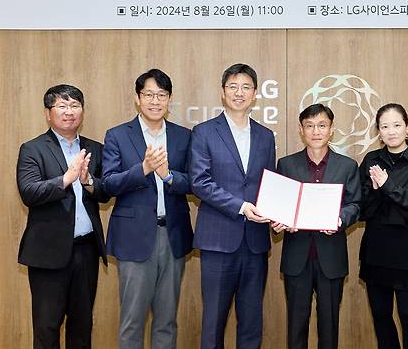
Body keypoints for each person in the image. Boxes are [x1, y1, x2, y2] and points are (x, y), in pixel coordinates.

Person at [102, 69, 193, 349]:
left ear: (170, 99)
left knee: (167, 320)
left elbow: (192, 182)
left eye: (161, 95)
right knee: (132, 319)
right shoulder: (118, 135)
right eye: (149, 95)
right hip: (134, 237)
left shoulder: (183, 136)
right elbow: (108, 184)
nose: (155, 101)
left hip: (173, 235)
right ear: (137, 98)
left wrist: (168, 175)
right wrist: (142, 169)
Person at [189, 63, 276, 349]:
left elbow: (269, 184)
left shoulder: (265, 136)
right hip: (218, 240)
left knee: (251, 321)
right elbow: (200, 182)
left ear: (255, 94)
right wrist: (240, 206)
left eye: (246, 87)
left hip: (255, 241)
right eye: (233, 87)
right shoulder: (204, 132)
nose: (239, 93)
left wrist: (276, 212)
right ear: (223, 93)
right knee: (213, 320)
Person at [17, 84, 110, 349]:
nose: (69, 112)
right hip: (48, 253)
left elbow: (105, 193)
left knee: (82, 325)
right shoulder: (33, 149)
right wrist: (66, 179)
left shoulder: (95, 147)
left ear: (82, 111)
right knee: (47, 326)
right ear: (48, 113)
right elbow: (29, 192)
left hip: (86, 250)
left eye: (75, 106)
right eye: (62, 106)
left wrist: (88, 180)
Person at [272, 103, 361, 349]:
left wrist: (341, 219)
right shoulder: (286, 165)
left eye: (322, 125)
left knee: (329, 327)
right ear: (301, 130)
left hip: (331, 258)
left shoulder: (347, 166)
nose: (316, 131)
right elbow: (278, 205)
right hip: (296, 258)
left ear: (331, 129)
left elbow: (355, 204)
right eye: (309, 126)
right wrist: (279, 221)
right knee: (296, 327)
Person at [358, 103, 408, 349]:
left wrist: (389, 186)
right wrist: (378, 190)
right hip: (376, 253)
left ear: (407, 128)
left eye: (396, 125)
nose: (391, 131)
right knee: (381, 318)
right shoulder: (371, 160)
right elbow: (362, 209)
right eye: (384, 126)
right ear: (378, 132)